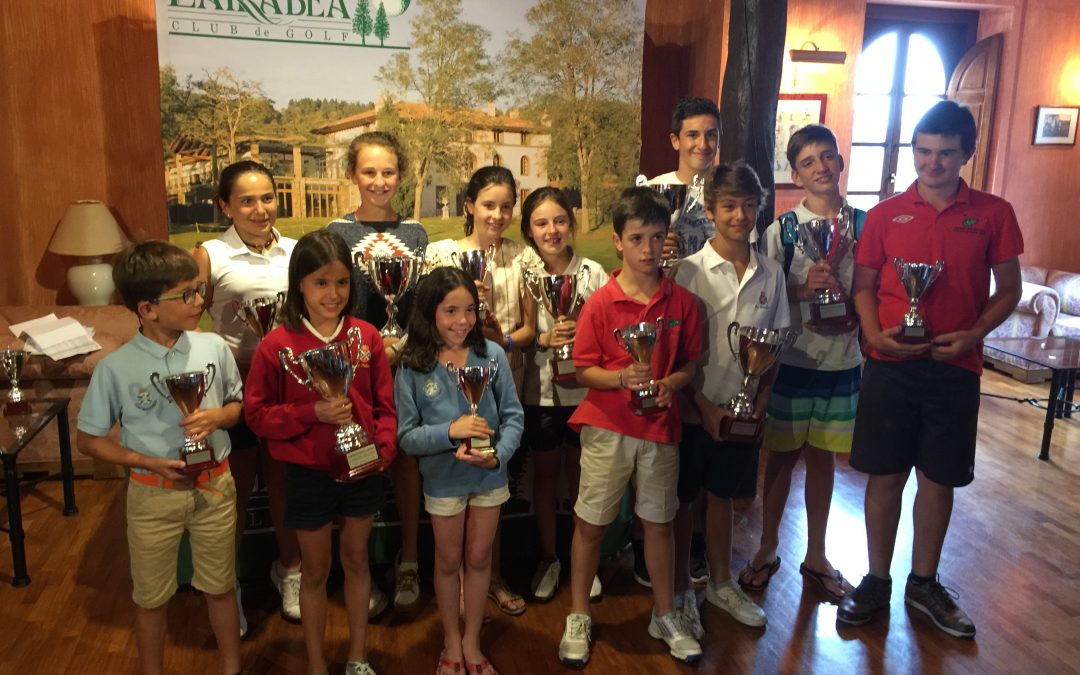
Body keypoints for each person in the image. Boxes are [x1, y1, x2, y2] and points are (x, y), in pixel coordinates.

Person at [838, 100, 1023, 639]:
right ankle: (876, 580)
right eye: (923, 151)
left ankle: (923, 583)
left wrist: (973, 334)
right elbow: (864, 287)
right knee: (885, 474)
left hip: (955, 366)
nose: (932, 163)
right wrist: (873, 335)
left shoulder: (993, 213)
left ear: (967, 153)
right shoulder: (884, 214)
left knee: (939, 477)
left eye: (945, 153)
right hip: (889, 365)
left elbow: (1009, 290)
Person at [77, 241, 244, 675]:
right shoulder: (115, 368)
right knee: (151, 598)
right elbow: (88, 440)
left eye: (199, 289)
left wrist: (220, 416)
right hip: (152, 496)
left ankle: (232, 668)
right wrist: (146, 461)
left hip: (215, 488)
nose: (199, 300)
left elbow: (237, 405)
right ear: (147, 309)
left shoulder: (213, 347)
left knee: (221, 587)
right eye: (186, 294)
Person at [559, 187, 702, 667]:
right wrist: (621, 377)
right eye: (637, 238)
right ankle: (578, 614)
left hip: (660, 428)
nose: (648, 248)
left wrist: (671, 384)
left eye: (657, 237)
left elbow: (690, 365)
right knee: (591, 523)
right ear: (618, 241)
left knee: (659, 523)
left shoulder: (682, 302)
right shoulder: (601, 303)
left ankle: (665, 613)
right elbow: (584, 370)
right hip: (607, 427)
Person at [245, 230, 396, 675]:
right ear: (300, 285)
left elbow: (386, 408)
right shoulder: (277, 345)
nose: (333, 294)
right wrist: (311, 412)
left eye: (342, 282)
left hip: (362, 468)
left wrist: (383, 452)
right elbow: (257, 415)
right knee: (314, 570)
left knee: (356, 559)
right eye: (321, 283)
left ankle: (357, 658)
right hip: (307, 473)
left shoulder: (367, 337)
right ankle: (316, 664)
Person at [739, 125, 862, 603]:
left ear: (840, 162)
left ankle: (816, 553)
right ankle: (767, 547)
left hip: (842, 360)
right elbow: (765, 295)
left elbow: (873, 289)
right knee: (781, 459)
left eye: (828, 156)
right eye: (808, 161)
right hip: (792, 361)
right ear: (795, 174)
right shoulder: (781, 231)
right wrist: (802, 287)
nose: (821, 167)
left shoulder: (864, 224)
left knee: (824, 460)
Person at [672, 162, 792, 638]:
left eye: (748, 205)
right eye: (728, 206)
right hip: (692, 408)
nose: (739, 215)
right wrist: (702, 406)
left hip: (741, 411)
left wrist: (760, 400)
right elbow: (674, 353)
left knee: (723, 496)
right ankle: (681, 589)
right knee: (684, 500)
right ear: (710, 210)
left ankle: (721, 582)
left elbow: (775, 344)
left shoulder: (772, 274)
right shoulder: (687, 271)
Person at [395, 266, 524, 675]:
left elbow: (513, 417)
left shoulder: (492, 355)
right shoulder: (413, 365)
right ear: (430, 312)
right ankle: (451, 640)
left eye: (470, 309)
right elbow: (407, 437)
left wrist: (498, 456)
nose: (463, 321)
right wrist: (451, 432)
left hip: (489, 476)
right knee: (449, 560)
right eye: (451, 311)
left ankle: (472, 641)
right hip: (443, 481)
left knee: (480, 557)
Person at [193, 159, 302, 629]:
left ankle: (290, 571)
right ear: (225, 206)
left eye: (268, 198)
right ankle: (227, 586)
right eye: (247, 201)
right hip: (231, 392)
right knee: (232, 492)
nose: (261, 210)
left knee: (283, 485)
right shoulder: (211, 254)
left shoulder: (295, 251)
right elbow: (187, 316)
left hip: (285, 391)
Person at [426, 165, 536, 616]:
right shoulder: (442, 253)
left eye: (506, 206)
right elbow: (429, 317)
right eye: (489, 205)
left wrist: (497, 339)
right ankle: (451, 585)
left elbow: (528, 330)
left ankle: (491, 577)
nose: (497, 215)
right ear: (470, 205)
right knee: (452, 487)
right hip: (446, 389)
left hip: (500, 384)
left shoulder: (521, 256)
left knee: (495, 484)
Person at [327, 131, 429, 616]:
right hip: (357, 368)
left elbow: (419, 305)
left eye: (388, 171)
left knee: (406, 462)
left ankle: (408, 560)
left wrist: (400, 346)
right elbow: (332, 302)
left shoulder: (416, 233)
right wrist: (369, 351)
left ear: (400, 174)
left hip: (406, 366)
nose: (379, 181)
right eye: (369, 171)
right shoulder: (336, 233)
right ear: (353, 174)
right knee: (360, 462)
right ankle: (359, 570)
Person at [517, 187, 609, 602]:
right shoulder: (526, 272)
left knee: (581, 477)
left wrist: (581, 338)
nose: (551, 230)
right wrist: (544, 338)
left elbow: (608, 333)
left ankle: (581, 560)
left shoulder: (592, 272)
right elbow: (522, 333)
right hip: (542, 394)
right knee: (546, 476)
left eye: (559, 220)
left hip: (585, 394)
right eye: (541, 223)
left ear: (571, 224)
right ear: (529, 230)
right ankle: (550, 558)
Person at [645, 95, 722, 586]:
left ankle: (697, 543)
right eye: (692, 134)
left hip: (717, 319)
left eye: (711, 135)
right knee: (663, 444)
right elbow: (634, 256)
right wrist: (661, 250)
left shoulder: (726, 189)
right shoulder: (655, 191)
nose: (702, 144)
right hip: (666, 326)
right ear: (675, 139)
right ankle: (652, 543)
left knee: (705, 442)